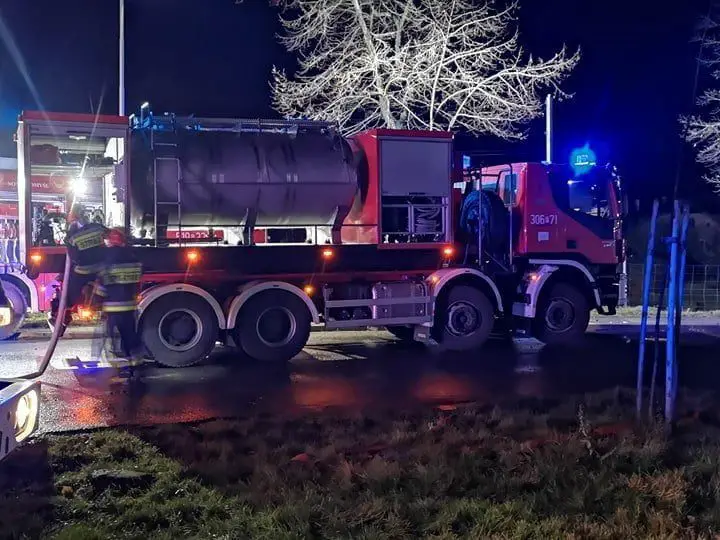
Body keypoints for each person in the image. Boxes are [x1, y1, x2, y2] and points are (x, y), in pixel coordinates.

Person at [49, 203, 107, 332]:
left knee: (68, 292)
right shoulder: (98, 228)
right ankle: (101, 305)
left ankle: (63, 318)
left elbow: (73, 257)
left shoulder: (72, 237)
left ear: (73, 217)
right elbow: (110, 237)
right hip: (101, 269)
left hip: (83, 271)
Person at [95, 227, 143, 379]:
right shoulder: (133, 256)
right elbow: (137, 280)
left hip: (113, 307)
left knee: (114, 339)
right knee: (130, 336)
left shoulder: (108, 257)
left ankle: (122, 368)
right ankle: (135, 365)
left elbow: (102, 285)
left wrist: (97, 300)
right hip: (130, 305)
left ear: (111, 240)